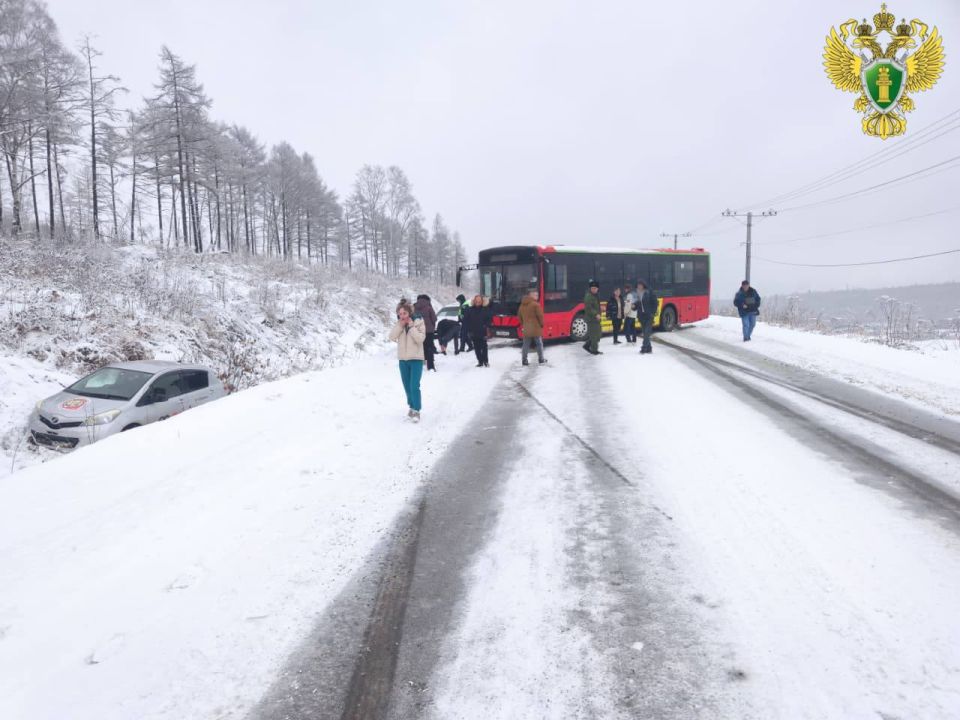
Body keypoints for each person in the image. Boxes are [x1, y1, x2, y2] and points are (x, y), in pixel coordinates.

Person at [388, 302, 426, 422]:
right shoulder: (399, 324)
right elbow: (392, 337)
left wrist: (411, 327)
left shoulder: (418, 321)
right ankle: (411, 406)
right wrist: (400, 326)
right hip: (403, 360)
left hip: (416, 359)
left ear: (410, 312)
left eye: (404, 313)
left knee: (414, 385)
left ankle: (417, 410)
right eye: (400, 314)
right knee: (407, 386)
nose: (402, 316)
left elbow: (420, 339)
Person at [517, 289, 547, 365]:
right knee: (539, 344)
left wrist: (524, 324)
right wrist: (542, 324)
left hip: (527, 328)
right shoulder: (536, 305)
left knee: (526, 344)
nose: (537, 296)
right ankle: (541, 359)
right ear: (531, 295)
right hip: (536, 328)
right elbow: (540, 316)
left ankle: (524, 360)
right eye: (535, 295)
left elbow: (519, 317)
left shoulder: (522, 305)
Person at [464, 294, 492, 367]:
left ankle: (485, 361)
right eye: (476, 301)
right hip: (473, 331)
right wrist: (468, 330)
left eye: (479, 301)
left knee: (484, 347)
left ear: (482, 301)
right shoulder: (469, 310)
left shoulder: (485, 309)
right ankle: (480, 361)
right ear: (474, 301)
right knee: (476, 347)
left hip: (483, 331)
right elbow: (466, 320)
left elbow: (489, 319)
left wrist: (486, 326)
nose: (478, 302)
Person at [414, 294, 438, 371]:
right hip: (429, 331)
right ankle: (430, 366)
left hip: (418, 330)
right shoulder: (429, 307)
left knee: (419, 346)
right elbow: (434, 318)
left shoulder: (414, 307)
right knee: (429, 347)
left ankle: (419, 363)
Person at [636, 280, 658, 355]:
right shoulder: (638, 293)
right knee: (645, 332)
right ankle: (649, 348)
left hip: (649, 316)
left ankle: (644, 347)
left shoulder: (649, 292)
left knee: (646, 333)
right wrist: (634, 306)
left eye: (640, 285)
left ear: (643, 285)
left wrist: (652, 313)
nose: (639, 286)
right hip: (641, 316)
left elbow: (655, 303)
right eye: (638, 285)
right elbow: (638, 304)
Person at [583, 280, 602, 355]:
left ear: (597, 289)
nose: (594, 289)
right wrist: (596, 314)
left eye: (595, 288)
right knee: (594, 335)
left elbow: (596, 306)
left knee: (598, 335)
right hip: (592, 319)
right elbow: (588, 308)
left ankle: (587, 345)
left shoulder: (595, 295)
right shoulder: (588, 296)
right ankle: (594, 350)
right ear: (590, 288)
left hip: (596, 319)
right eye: (592, 288)